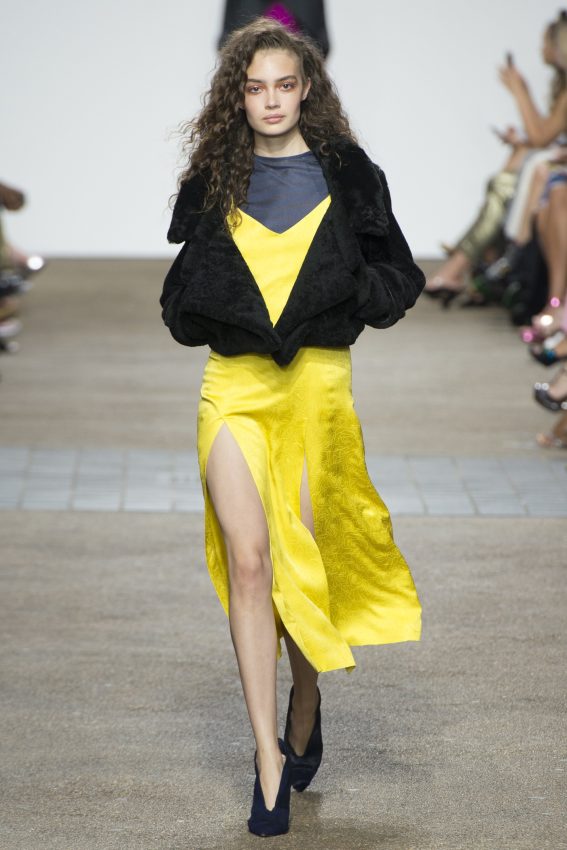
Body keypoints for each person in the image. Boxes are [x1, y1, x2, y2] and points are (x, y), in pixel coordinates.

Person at [160, 18, 423, 837]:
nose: (269, 100)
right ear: (236, 97)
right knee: (250, 562)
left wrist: (348, 295)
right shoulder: (214, 175)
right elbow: (181, 293)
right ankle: (267, 758)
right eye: (254, 87)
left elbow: (397, 275)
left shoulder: (348, 173)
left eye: (283, 85)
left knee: (301, 567)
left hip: (316, 390)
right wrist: (200, 309)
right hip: (233, 390)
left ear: (306, 88)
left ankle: (304, 699)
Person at [425, 13, 567, 305]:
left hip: (552, 173)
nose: (540, 48)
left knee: (503, 185)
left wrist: (520, 91)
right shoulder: (561, 88)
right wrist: (524, 140)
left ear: (559, 46)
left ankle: (471, 266)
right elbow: (545, 136)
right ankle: (478, 265)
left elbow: (542, 136)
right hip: (550, 167)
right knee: (503, 180)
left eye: (545, 42)